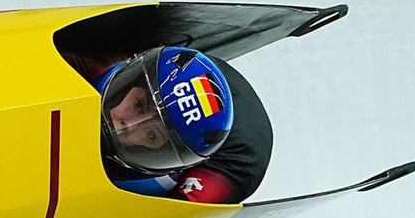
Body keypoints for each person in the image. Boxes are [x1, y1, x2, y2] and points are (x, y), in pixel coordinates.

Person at [73, 45, 273, 204]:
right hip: (175, 71)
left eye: (152, 134)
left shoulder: (227, 174)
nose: (126, 125)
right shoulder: (100, 67)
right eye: (138, 105)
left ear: (159, 152)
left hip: (236, 162)